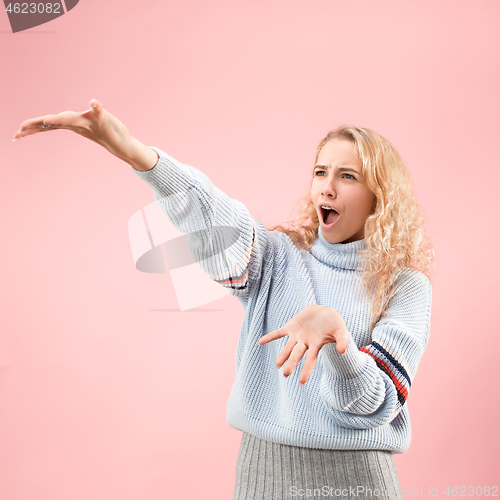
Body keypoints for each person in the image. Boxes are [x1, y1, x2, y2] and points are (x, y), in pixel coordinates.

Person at [13, 99, 434, 500]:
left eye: (348, 176)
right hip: (264, 474)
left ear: (380, 195)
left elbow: (375, 403)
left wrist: (338, 339)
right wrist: (138, 155)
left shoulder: (405, 286)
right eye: (321, 172)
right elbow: (211, 212)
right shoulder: (276, 259)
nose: (327, 187)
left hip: (358, 483)